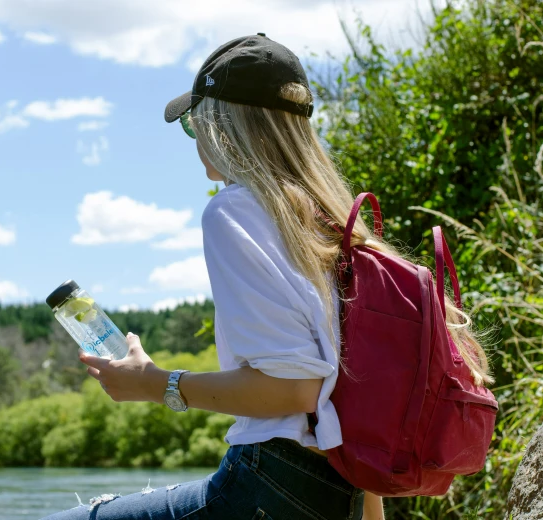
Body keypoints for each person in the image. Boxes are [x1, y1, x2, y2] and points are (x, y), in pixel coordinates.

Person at [44, 33, 490, 520]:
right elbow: (344, 404)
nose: (197, 142)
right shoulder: (332, 223)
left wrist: (155, 383)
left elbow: (293, 387)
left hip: (266, 486)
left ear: (222, 125)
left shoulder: (234, 210)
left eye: (195, 124)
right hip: (335, 491)